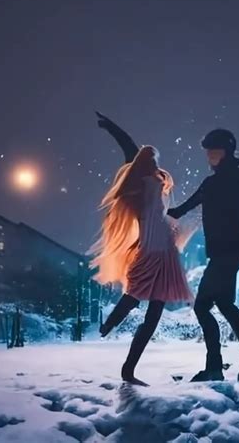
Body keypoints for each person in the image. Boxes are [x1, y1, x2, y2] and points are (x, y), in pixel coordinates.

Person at [167, 129, 239, 382]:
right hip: (229, 251)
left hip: (227, 252)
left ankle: (215, 367)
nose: (209, 156)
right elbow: (183, 208)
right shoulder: (219, 180)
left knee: (202, 307)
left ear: (226, 151)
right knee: (225, 305)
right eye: (207, 151)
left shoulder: (235, 175)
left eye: (213, 150)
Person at [89, 132, 193, 386]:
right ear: (148, 163)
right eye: (154, 160)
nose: (158, 165)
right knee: (145, 306)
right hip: (157, 250)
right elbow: (133, 153)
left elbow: (132, 154)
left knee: (141, 302)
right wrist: (116, 132)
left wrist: (113, 129)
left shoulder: (138, 186)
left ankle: (116, 340)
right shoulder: (145, 183)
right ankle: (115, 340)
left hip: (158, 248)